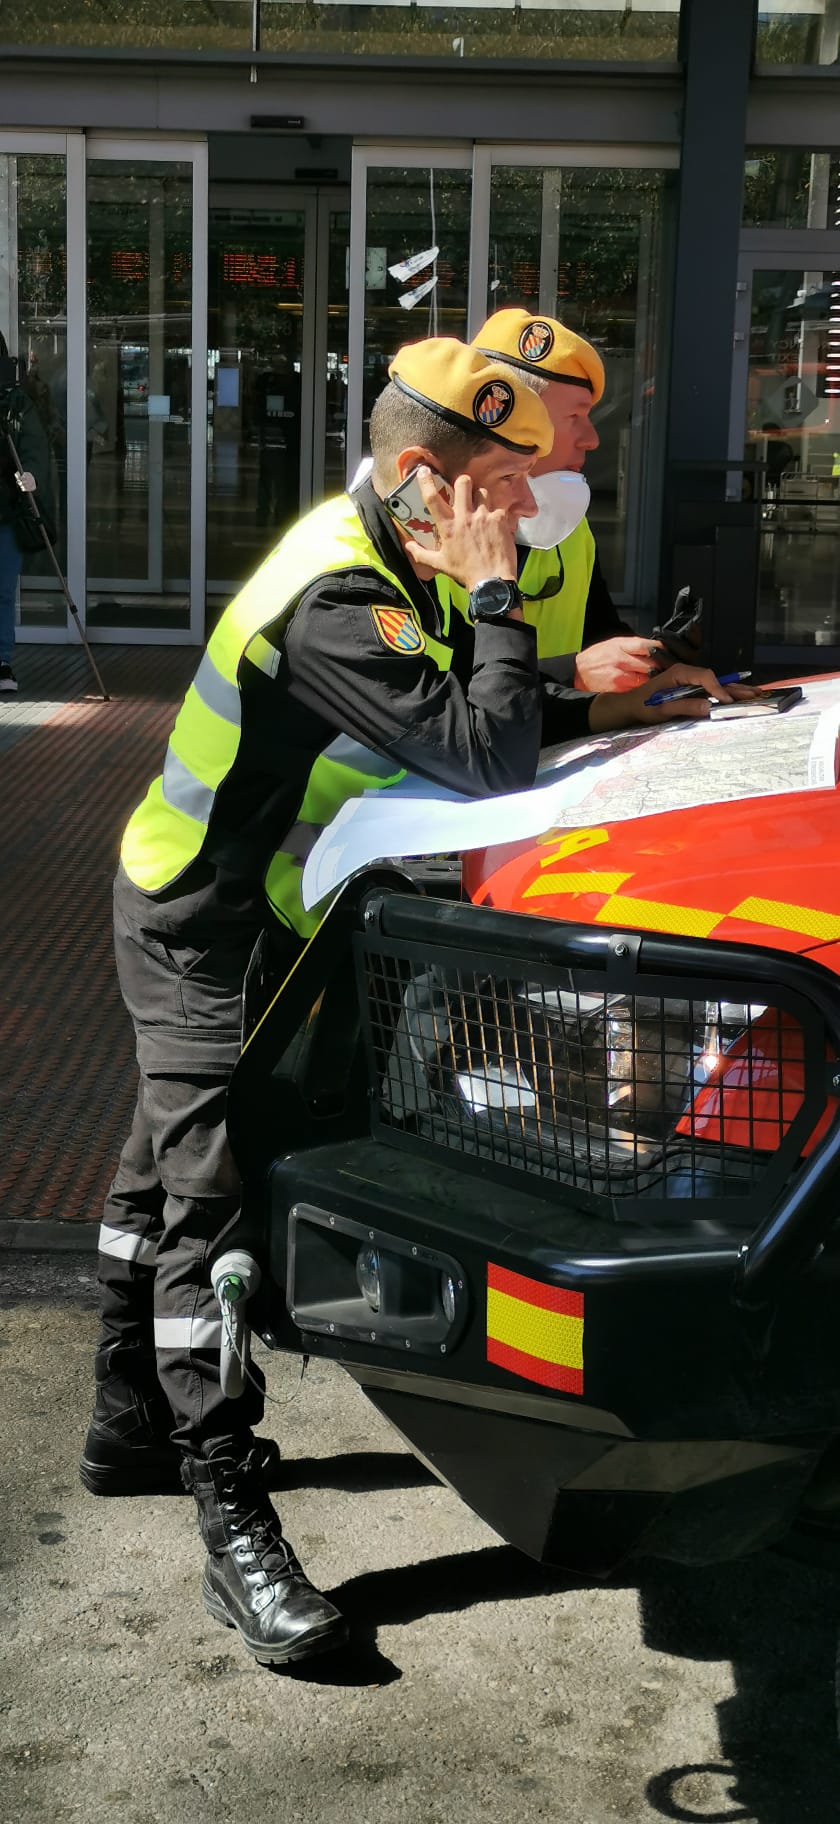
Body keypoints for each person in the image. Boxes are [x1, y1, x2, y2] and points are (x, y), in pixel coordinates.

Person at [80, 337, 742, 1672]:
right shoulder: (340, 589)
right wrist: (501, 599)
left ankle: (123, 1426)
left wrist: (573, 678)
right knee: (208, 1200)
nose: (524, 509)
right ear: (423, 479)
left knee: (160, 1163)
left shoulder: (391, 551)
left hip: (247, 903)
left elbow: (445, 708)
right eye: (502, 488)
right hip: (199, 922)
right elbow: (479, 752)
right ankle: (227, 1508)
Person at [462, 308, 666, 694]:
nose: (592, 439)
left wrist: (657, 661)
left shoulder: (570, 525)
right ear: (508, 419)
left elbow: (600, 640)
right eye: (575, 416)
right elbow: (440, 705)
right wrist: (568, 674)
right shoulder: (421, 533)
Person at [0, 332, 54, 695]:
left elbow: (34, 445)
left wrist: (31, 474)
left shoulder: (15, 402)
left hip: (6, 512)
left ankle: (1, 661)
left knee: (3, 590)